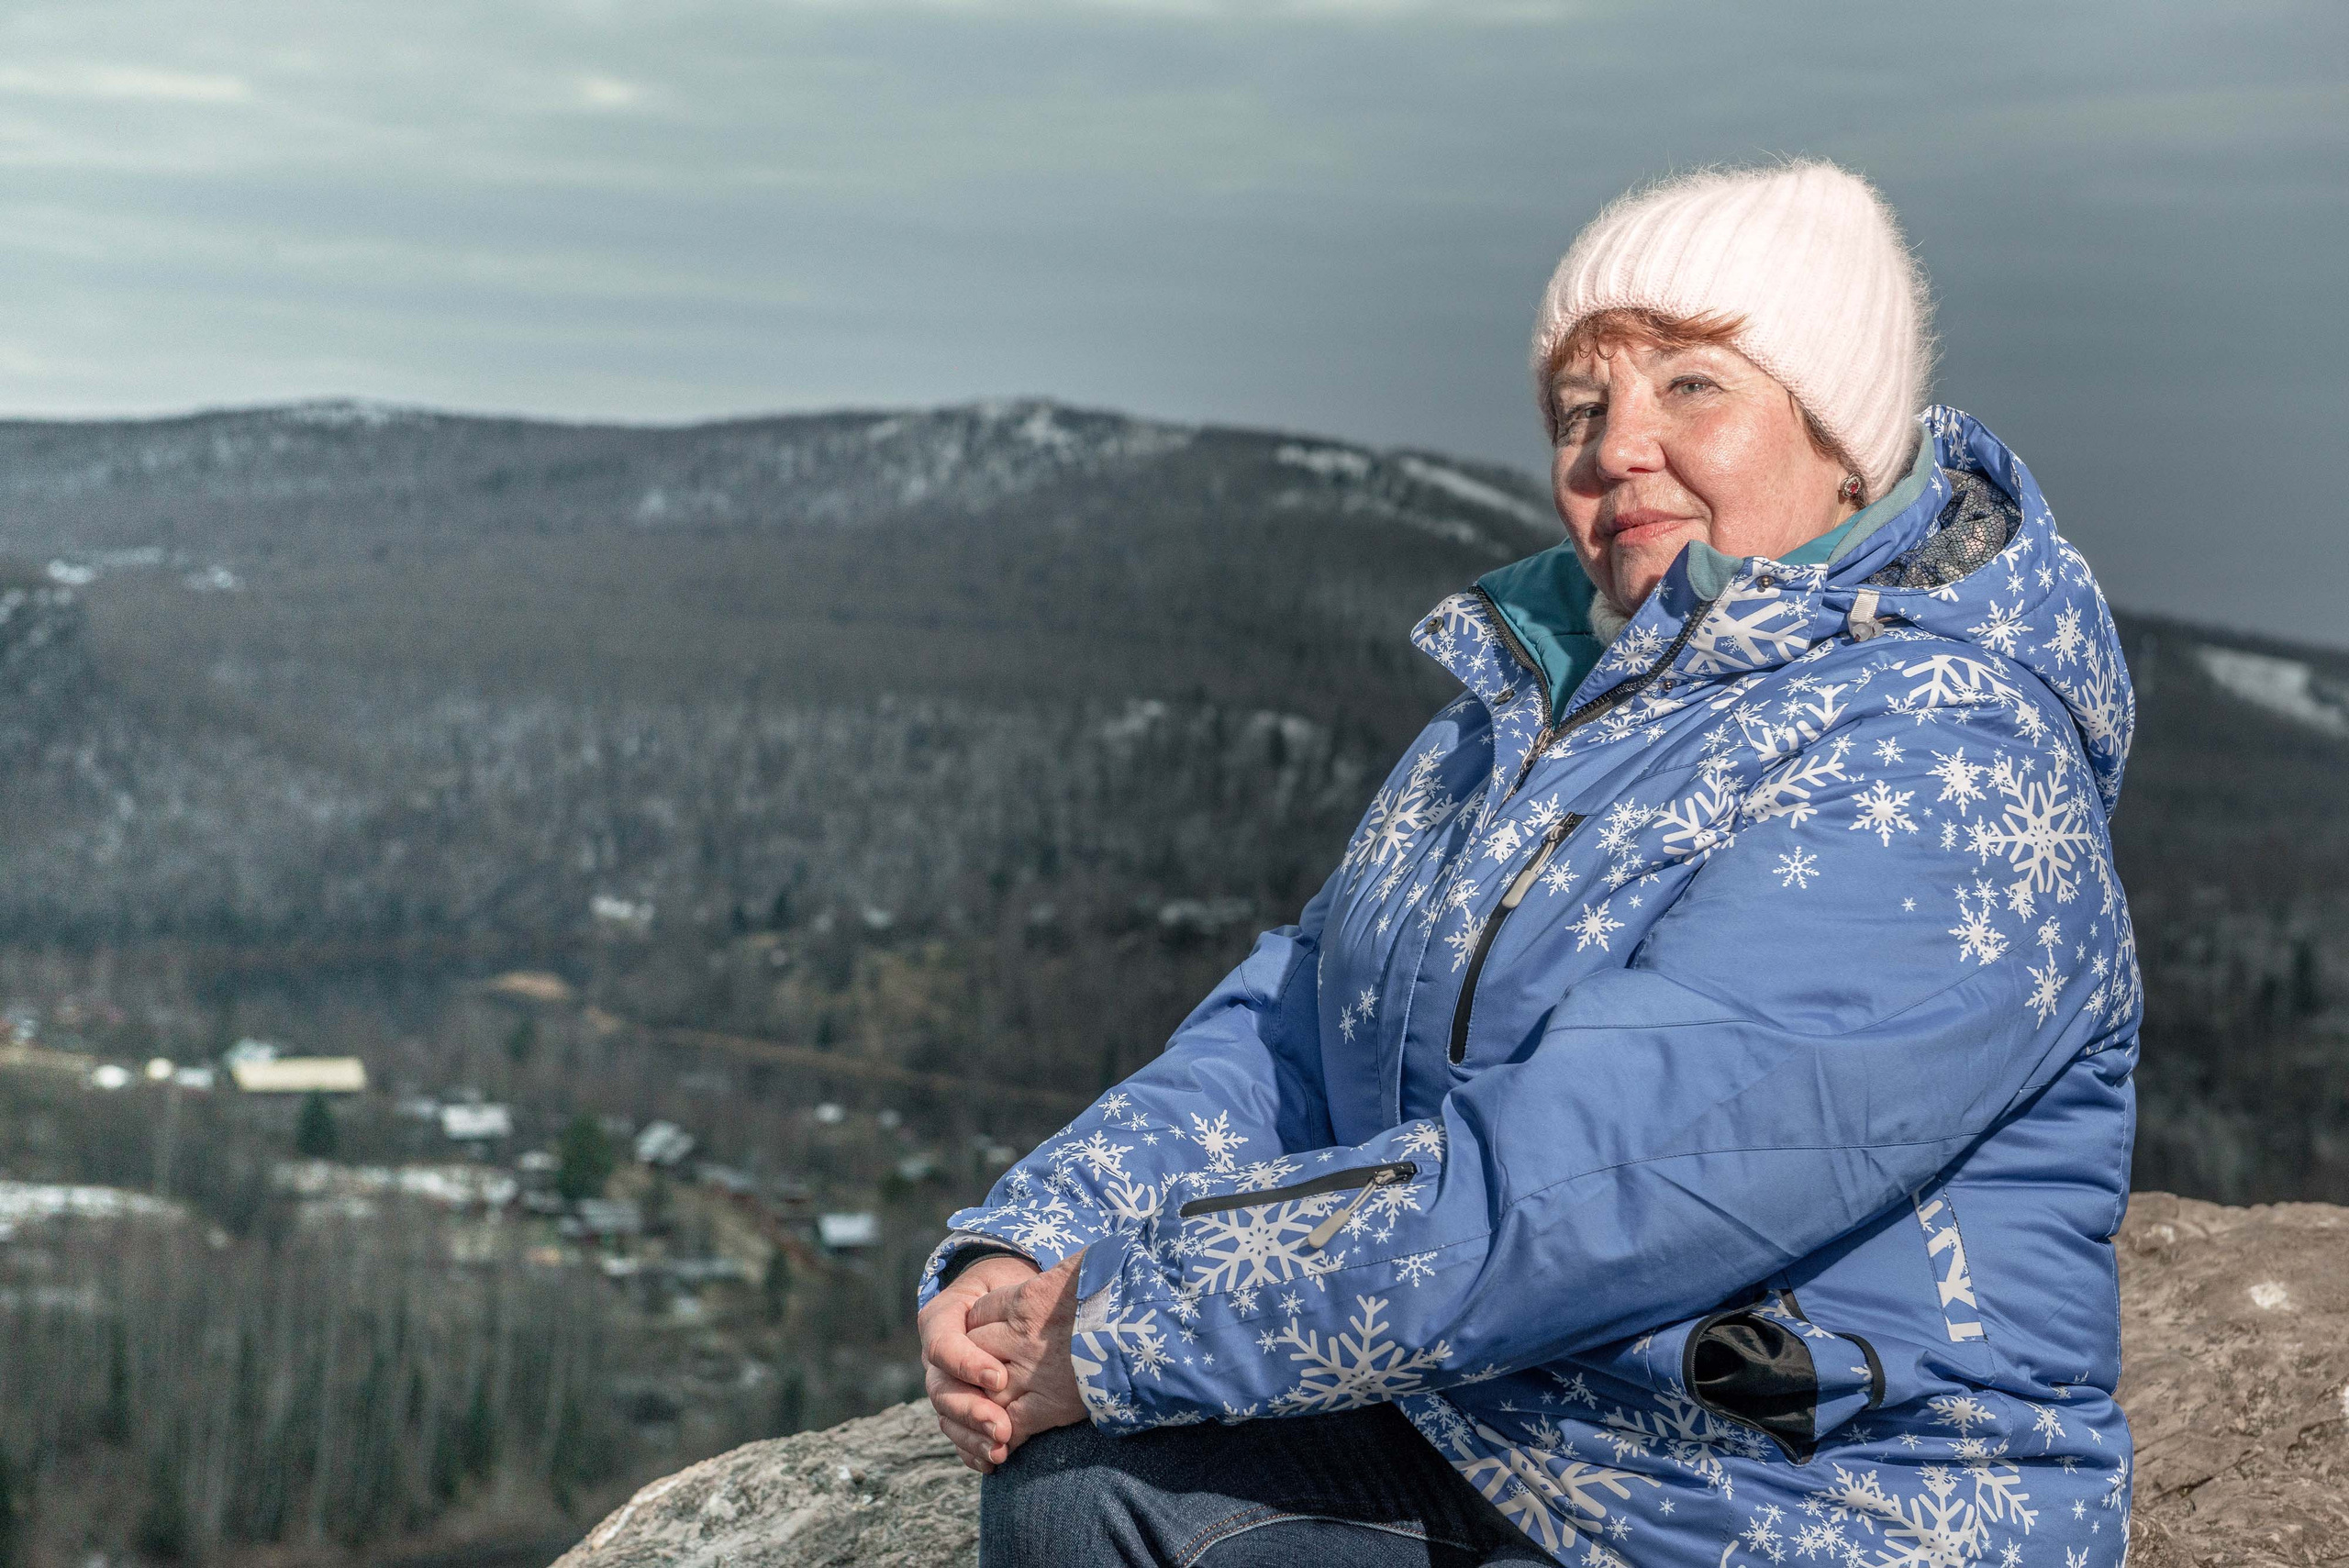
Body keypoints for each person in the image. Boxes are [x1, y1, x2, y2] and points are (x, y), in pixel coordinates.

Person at [918, 160, 2140, 1568]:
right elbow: (1303, 1030)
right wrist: (1034, 1247)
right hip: (1522, 1431)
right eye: (1581, 408)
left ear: (1842, 434)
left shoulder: (1950, 764)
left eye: (1690, 385)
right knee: (1088, 1495)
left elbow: (1592, 1183)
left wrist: (1129, 1318)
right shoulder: (1536, 709)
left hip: (1801, 1506)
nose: (1614, 448)